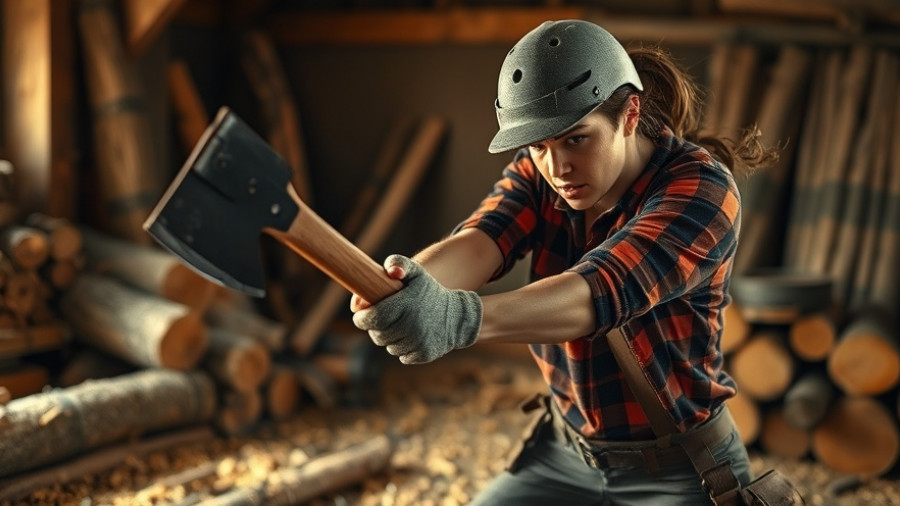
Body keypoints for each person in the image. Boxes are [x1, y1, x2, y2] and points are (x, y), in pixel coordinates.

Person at [351, 19, 778, 505]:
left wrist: (458, 318)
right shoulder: (542, 175)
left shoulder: (702, 191)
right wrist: (412, 283)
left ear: (630, 114)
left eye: (577, 138)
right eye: (539, 146)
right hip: (564, 455)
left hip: (682, 469)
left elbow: (598, 292)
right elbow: (481, 241)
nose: (557, 168)